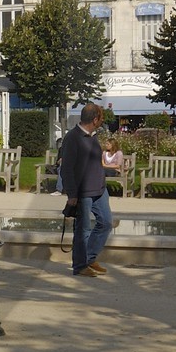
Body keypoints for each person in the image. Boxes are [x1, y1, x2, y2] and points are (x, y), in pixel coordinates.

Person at [59, 103, 113, 277]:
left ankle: (89, 257)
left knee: (106, 223)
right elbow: (66, 168)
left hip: (99, 189)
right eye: (101, 118)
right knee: (82, 230)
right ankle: (80, 266)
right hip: (83, 191)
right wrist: (72, 194)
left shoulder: (93, 136)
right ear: (95, 119)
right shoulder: (72, 138)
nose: (102, 121)